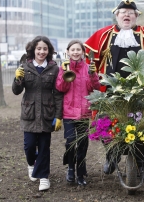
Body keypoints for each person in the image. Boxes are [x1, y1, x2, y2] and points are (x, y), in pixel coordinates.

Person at [84, 0, 144, 176]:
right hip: (109, 91)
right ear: (116, 15)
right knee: (106, 124)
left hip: (141, 91)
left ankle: (140, 163)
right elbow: (91, 60)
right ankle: (112, 156)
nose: (126, 15)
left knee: (142, 125)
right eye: (122, 12)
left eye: (130, 13)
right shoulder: (103, 35)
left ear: (136, 15)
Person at [12, 36, 63, 191]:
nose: (42, 51)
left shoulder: (54, 68)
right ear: (33, 50)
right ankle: (31, 163)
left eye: (45, 49)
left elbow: (58, 93)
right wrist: (17, 79)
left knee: (44, 147)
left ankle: (44, 178)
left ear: (49, 51)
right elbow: (16, 91)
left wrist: (58, 116)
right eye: (39, 48)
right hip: (29, 113)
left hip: (47, 113)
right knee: (29, 146)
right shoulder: (25, 67)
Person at [55, 40, 100, 186]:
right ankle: (70, 168)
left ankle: (80, 173)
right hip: (68, 112)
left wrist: (93, 74)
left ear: (83, 52)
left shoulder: (88, 67)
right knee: (69, 142)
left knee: (82, 144)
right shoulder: (63, 68)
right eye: (73, 50)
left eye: (78, 50)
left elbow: (95, 87)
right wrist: (64, 73)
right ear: (68, 52)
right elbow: (60, 88)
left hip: (84, 112)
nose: (75, 52)